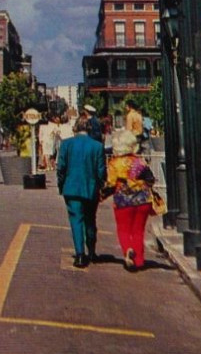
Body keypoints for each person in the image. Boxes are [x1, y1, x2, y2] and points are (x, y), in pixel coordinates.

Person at [104, 129, 158, 271]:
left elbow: (110, 185)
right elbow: (150, 179)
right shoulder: (140, 161)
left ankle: (128, 250)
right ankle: (139, 260)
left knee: (124, 229)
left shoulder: (114, 163)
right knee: (139, 231)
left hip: (123, 201)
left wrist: (101, 196)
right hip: (143, 200)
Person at [56, 116, 106, 269]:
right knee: (90, 220)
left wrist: (61, 185)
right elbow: (101, 170)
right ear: (89, 129)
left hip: (71, 188)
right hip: (90, 188)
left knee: (76, 220)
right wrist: (101, 184)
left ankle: (79, 254)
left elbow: (61, 168)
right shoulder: (97, 146)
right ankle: (91, 251)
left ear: (75, 128)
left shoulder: (66, 144)